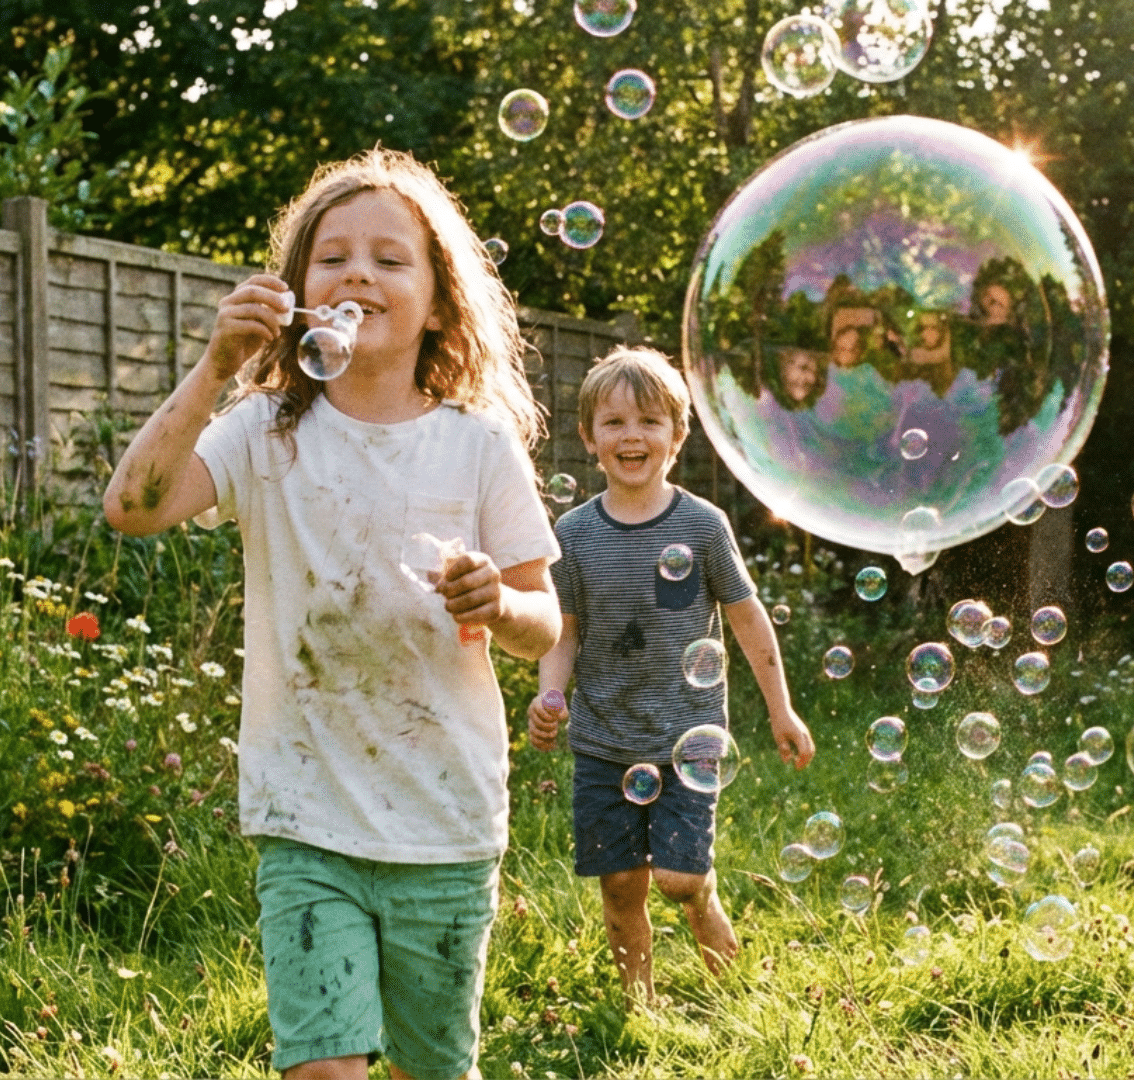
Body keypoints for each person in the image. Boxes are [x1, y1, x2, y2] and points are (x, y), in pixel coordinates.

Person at [102, 148, 563, 1080]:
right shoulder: (265, 431)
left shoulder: (476, 443)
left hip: (444, 819)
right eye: (333, 256)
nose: (359, 272)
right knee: (322, 1068)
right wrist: (213, 367)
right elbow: (133, 507)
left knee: (436, 1068)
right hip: (306, 816)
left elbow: (543, 622)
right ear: (298, 289)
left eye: (391, 260)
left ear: (438, 301)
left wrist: (499, 602)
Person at [525, 346, 815, 1006]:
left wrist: (781, 709)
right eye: (615, 422)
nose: (632, 436)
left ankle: (719, 951)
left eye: (650, 422)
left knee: (682, 879)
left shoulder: (702, 526)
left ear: (677, 437)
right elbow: (563, 631)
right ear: (589, 438)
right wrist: (550, 692)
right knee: (622, 889)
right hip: (604, 743)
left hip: (690, 737)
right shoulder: (571, 534)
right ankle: (640, 1006)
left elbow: (746, 621)